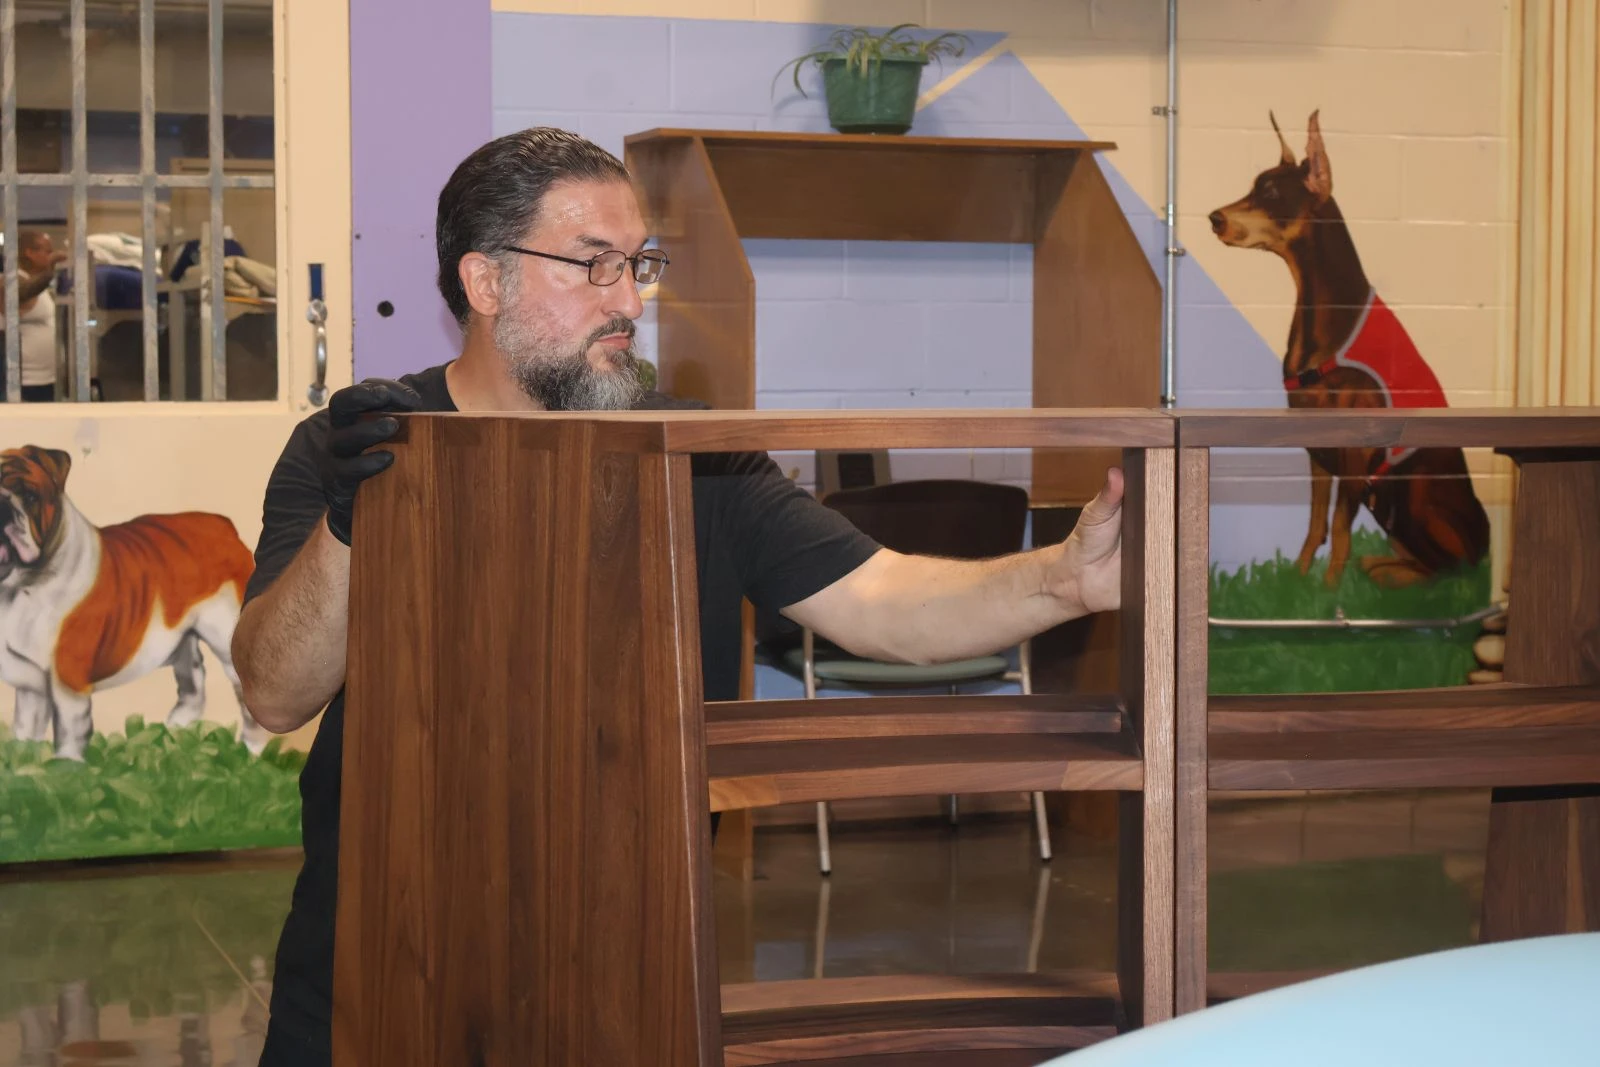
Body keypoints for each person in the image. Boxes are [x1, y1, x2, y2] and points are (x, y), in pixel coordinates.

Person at [233, 127, 1126, 1066]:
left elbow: (883, 600)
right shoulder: (357, 450)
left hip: (627, 970)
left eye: (639, 265)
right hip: (375, 958)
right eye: (595, 265)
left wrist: (1061, 577)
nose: (630, 301)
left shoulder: (694, 460)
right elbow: (275, 692)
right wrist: (350, 524)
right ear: (486, 282)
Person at [1, 230, 66, 401]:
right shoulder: (9, 282)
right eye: (48, 251)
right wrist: (50, 269)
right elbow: (22, 293)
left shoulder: (40, 286)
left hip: (47, 379)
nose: (51, 254)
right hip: (25, 382)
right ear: (29, 253)